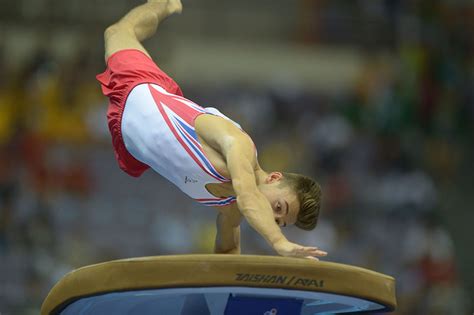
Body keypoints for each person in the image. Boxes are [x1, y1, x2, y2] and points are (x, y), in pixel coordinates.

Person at [96, 0, 327, 260]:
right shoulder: (240, 146)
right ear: (274, 178)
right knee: (117, 33)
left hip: (131, 145)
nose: (272, 216)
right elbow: (249, 197)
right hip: (139, 92)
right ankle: (163, 3)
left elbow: (227, 252)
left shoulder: (231, 210)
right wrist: (279, 242)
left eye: (278, 221)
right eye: (278, 207)